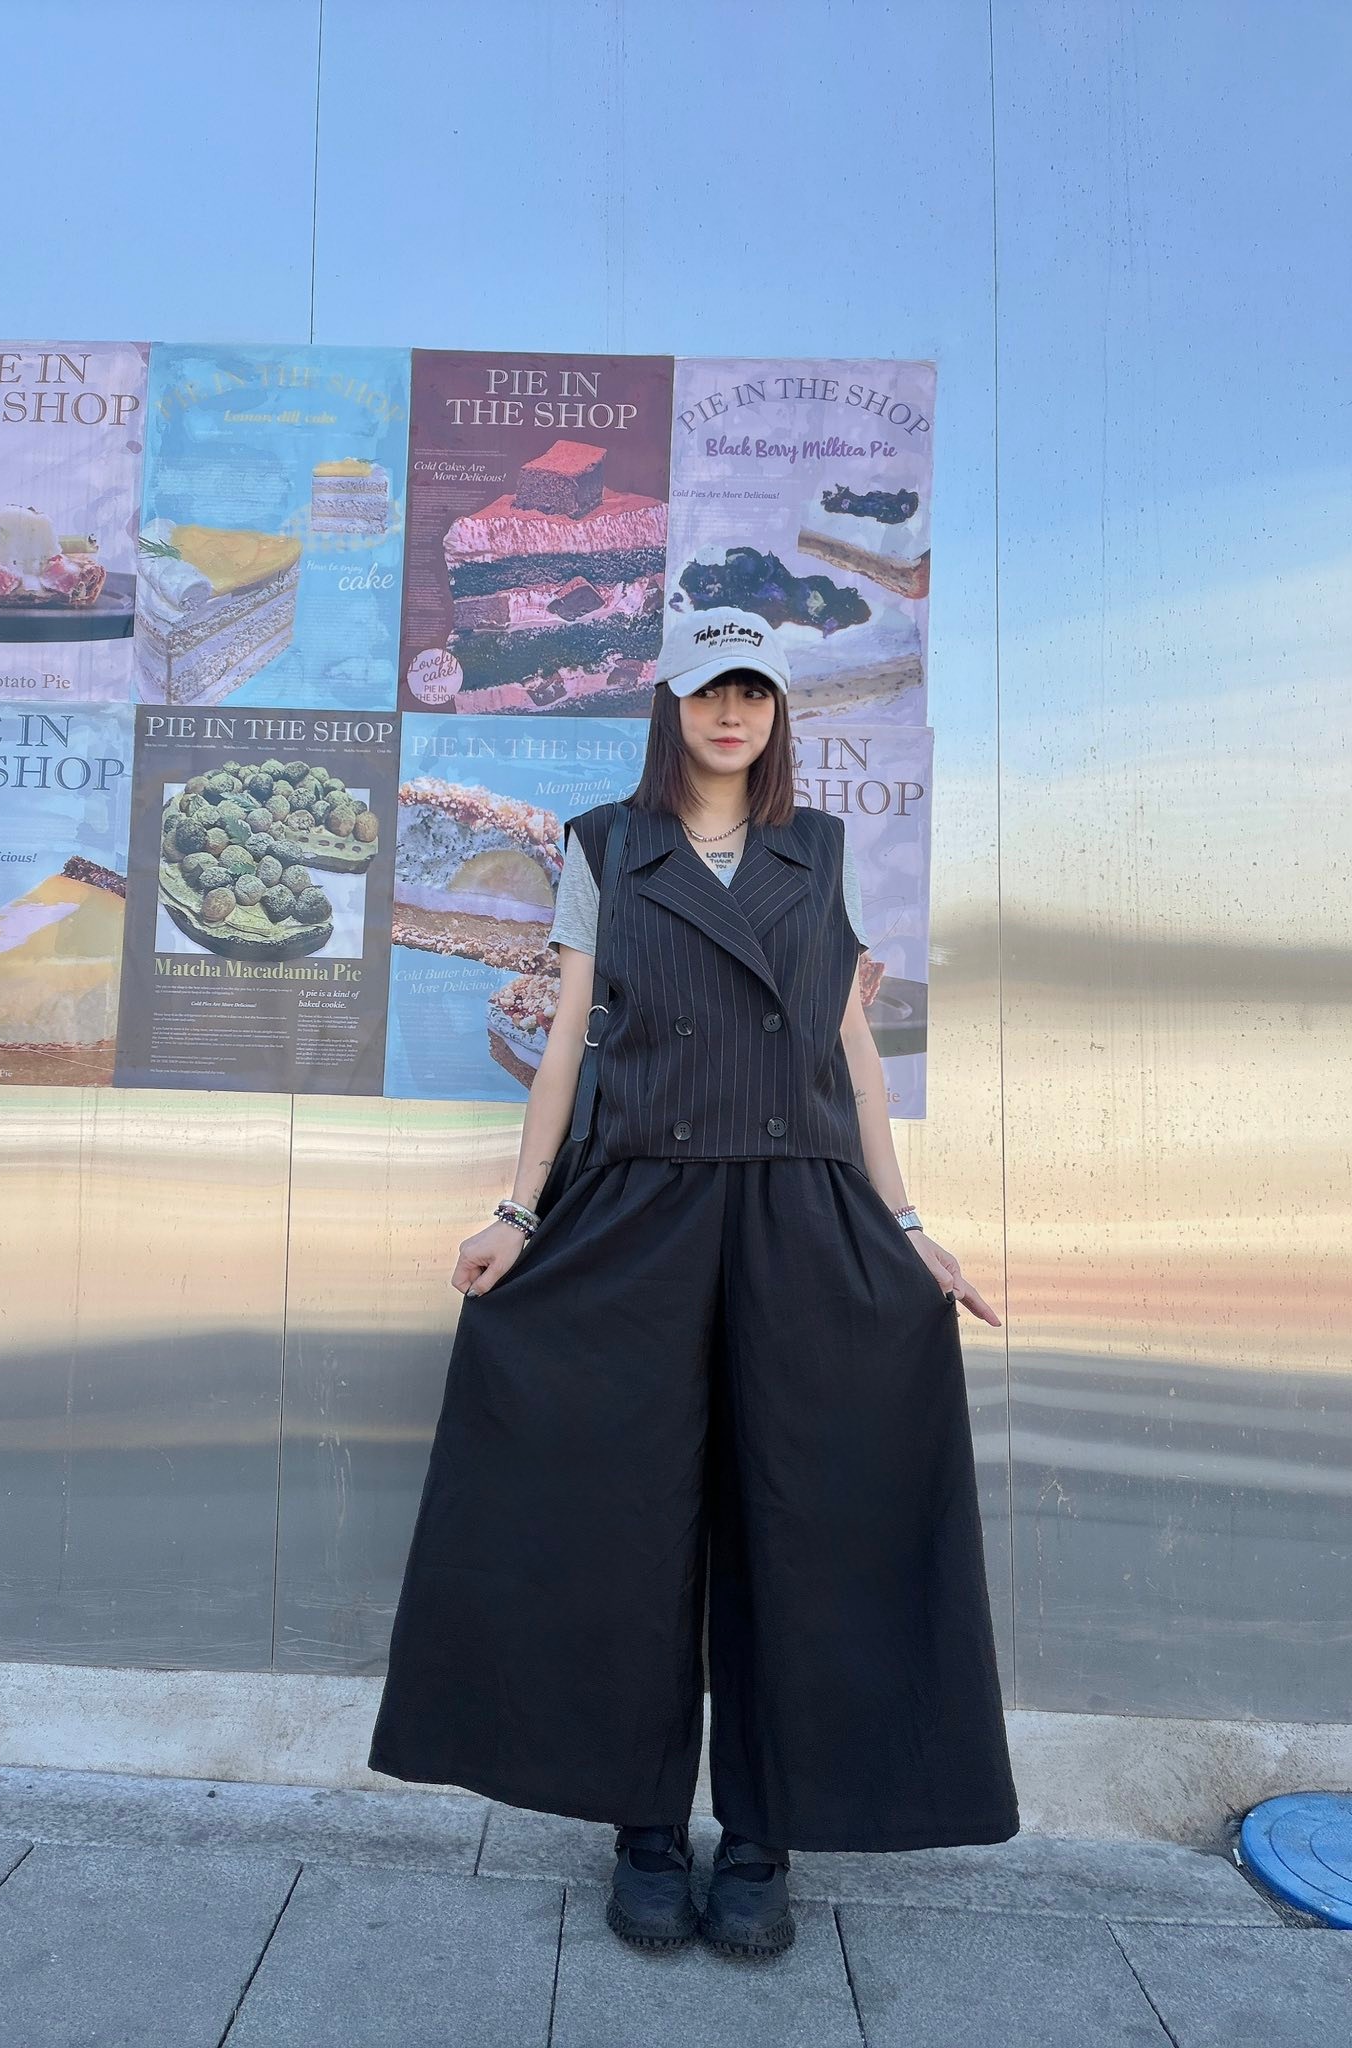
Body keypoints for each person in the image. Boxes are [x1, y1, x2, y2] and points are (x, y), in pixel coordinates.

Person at [368, 605, 1020, 1960]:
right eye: (710, 691)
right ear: (669, 705)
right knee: (623, 1524)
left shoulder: (816, 849)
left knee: (804, 1526)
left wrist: (906, 1227)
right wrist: (518, 1213)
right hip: (641, 1204)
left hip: (799, 1208)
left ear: (779, 716)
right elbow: (565, 1044)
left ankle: (767, 1837)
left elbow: (849, 1054)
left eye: (756, 694)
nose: (733, 714)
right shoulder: (606, 845)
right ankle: (646, 1828)